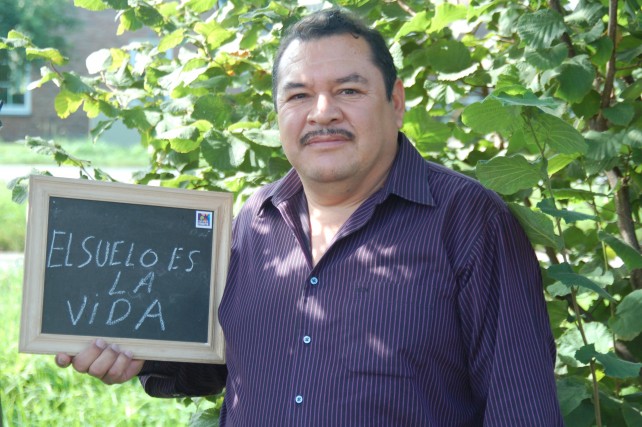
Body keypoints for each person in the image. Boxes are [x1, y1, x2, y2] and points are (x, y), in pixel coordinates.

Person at [56, 8, 564, 426]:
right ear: (279, 112)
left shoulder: (470, 223)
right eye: (299, 95)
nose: (322, 112)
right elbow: (221, 362)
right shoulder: (254, 222)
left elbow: (521, 408)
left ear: (396, 102)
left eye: (349, 91)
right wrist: (138, 349)